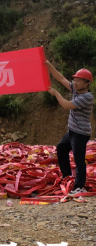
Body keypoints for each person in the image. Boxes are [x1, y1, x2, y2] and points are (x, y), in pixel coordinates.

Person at [45, 61, 94, 196]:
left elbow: (66, 105)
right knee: (61, 148)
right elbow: (61, 79)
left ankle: (79, 186)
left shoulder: (87, 97)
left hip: (81, 133)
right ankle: (66, 175)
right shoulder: (75, 90)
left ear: (86, 83)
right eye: (75, 80)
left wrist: (56, 94)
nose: (75, 83)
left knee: (79, 159)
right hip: (72, 131)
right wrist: (48, 65)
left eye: (79, 81)